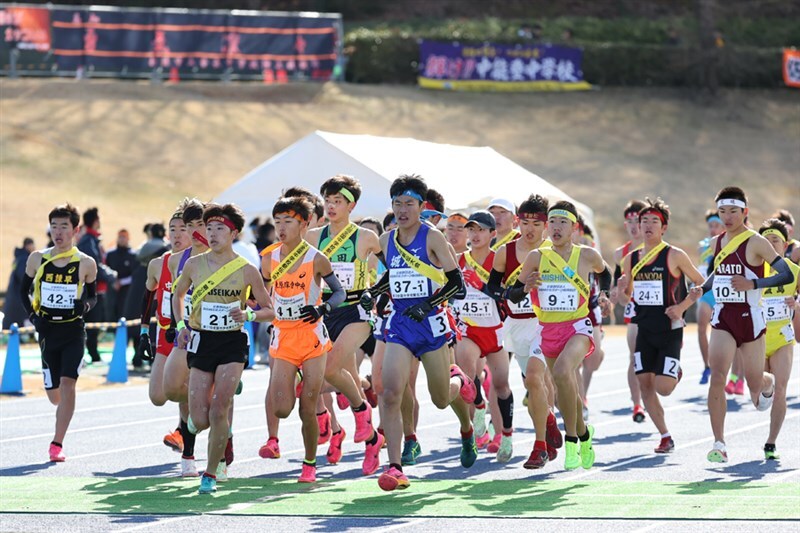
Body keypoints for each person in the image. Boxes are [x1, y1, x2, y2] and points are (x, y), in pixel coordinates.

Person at [360, 174, 477, 491]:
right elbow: (393, 278)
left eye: (408, 204)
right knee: (389, 391)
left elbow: (457, 286)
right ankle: (395, 467)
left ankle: (462, 399)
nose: (402, 210)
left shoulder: (433, 238)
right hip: (400, 324)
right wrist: (374, 292)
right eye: (397, 204)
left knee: (441, 398)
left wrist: (427, 306)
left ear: (421, 207)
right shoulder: (386, 240)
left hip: (431, 324)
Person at [172, 202, 274, 494]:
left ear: (234, 234)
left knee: (219, 409)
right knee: (201, 418)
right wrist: (181, 328)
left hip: (232, 343)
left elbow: (270, 310)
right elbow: (177, 297)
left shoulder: (247, 270)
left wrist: (250, 315)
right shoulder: (194, 264)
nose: (213, 234)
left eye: (220, 229)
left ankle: (211, 472)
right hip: (202, 341)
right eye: (210, 228)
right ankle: (192, 424)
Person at [508, 201, 612, 471]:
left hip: (577, 326)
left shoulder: (587, 255)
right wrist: (525, 286)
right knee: (564, 386)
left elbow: (607, 273)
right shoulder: (536, 258)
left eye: (562, 222)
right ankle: (586, 435)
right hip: (547, 330)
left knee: (564, 371)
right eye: (552, 222)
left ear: (574, 228)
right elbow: (512, 293)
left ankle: (571, 441)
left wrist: (604, 295)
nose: (556, 227)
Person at [262, 195, 352, 482]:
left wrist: (322, 307)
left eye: (287, 221)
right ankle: (302, 380)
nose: (281, 228)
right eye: (277, 222)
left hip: (312, 339)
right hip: (283, 339)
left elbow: (339, 293)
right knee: (281, 407)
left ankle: (309, 464)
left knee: (306, 408)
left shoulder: (316, 258)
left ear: (303, 224)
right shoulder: (269, 258)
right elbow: (260, 294)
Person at [703, 187, 793, 463]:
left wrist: (753, 283)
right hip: (724, 317)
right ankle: (719, 443)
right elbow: (716, 275)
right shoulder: (717, 243)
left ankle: (767, 382)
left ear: (745, 212)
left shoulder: (756, 242)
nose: (727, 217)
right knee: (718, 375)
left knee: (754, 384)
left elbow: (785, 273)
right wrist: (700, 289)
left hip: (751, 318)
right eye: (722, 211)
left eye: (733, 211)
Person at [305, 175, 383, 475]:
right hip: (324, 311)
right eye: (328, 200)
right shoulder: (313, 237)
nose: (331, 206)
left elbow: (386, 268)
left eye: (338, 201)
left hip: (355, 311)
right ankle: (372, 438)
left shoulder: (365, 237)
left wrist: (373, 292)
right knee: (335, 374)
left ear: (351, 205)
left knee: (333, 369)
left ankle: (361, 415)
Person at [617, 198, 706, 453]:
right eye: (643, 221)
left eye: (654, 221)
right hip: (644, 329)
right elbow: (627, 299)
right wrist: (621, 292)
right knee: (644, 383)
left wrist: (681, 308)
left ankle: (673, 371)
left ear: (663, 227)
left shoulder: (674, 255)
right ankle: (665, 435)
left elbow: (701, 283)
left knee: (663, 388)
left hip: (670, 330)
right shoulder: (631, 259)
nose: (648, 225)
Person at [485, 194, 561, 469]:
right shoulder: (504, 252)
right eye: (525, 222)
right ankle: (549, 419)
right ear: (518, 222)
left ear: (546, 225)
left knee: (533, 380)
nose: (530, 229)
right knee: (538, 385)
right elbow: (492, 289)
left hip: (546, 325)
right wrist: (519, 290)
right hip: (516, 326)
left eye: (536, 223)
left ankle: (539, 447)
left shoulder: (556, 251)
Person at [19, 204, 98, 462]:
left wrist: (83, 305)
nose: (58, 232)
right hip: (47, 332)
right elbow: (23, 292)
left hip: (73, 331)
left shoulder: (86, 263)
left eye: (64, 226)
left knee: (68, 385)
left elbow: (93, 297)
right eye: (54, 226)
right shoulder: (37, 258)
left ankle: (57, 443)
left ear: (75, 230)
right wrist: (33, 318)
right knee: (55, 397)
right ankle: (59, 407)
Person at [135, 204, 196, 475]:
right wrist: (144, 331)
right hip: (165, 334)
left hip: (191, 335)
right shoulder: (160, 264)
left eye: (183, 228)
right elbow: (148, 296)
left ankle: (185, 432)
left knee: (183, 388)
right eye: (172, 229)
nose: (177, 234)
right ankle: (199, 400)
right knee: (158, 396)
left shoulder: (201, 262)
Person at [455, 210, 515, 463]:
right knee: (467, 374)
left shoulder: (498, 261)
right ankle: (479, 407)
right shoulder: (458, 260)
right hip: (468, 329)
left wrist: (480, 285)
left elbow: (507, 295)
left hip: (495, 333)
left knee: (501, 386)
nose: (475, 234)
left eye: (481, 230)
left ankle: (506, 435)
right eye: (471, 229)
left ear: (493, 234)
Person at [162, 199, 209, 476]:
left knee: (215, 407)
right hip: (188, 333)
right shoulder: (178, 260)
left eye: (199, 224)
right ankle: (187, 427)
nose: (194, 231)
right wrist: (177, 324)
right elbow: (175, 295)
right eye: (188, 226)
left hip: (219, 337)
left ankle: (193, 458)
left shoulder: (224, 257)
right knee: (171, 389)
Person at [757, 218, 799, 460]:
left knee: (781, 390)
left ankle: (771, 442)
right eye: (767, 241)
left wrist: (797, 302)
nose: (771, 245)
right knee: (757, 392)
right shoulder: (752, 271)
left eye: (776, 241)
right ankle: (765, 389)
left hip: (782, 337)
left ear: (785, 246)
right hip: (756, 338)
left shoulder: (794, 271)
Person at [610, 199, 647, 422]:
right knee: (635, 357)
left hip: (659, 311)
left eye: (638, 221)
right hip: (634, 309)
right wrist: (613, 296)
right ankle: (637, 405)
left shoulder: (659, 249)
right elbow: (616, 285)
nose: (634, 226)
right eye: (629, 222)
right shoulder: (619, 254)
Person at [77, 207, 117, 363]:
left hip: (97, 289)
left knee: (94, 322)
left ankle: (92, 352)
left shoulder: (92, 240)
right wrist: (112, 276)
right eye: (98, 219)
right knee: (90, 323)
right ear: (94, 221)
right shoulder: (88, 241)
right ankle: (91, 353)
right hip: (90, 290)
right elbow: (94, 266)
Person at [697, 210, 725, 384]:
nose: (713, 229)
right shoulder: (703, 245)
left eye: (716, 225)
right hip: (707, 292)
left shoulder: (728, 242)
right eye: (711, 226)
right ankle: (707, 366)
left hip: (722, 293)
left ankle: (721, 368)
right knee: (701, 327)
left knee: (720, 332)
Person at [3, 237, 35, 330]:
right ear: (28, 245)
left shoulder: (19, 258)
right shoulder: (24, 259)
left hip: (13, 296)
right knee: (20, 323)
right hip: (19, 298)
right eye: (33, 245)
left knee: (11, 320)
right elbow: (24, 278)